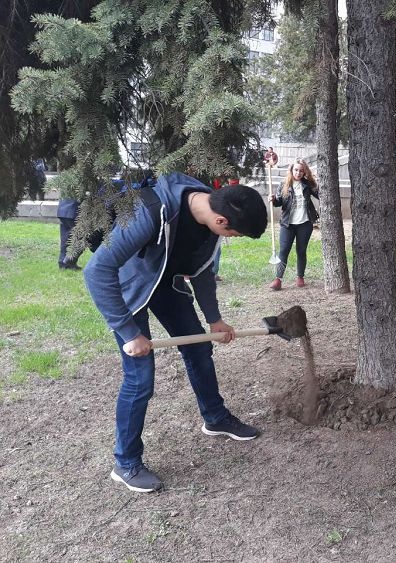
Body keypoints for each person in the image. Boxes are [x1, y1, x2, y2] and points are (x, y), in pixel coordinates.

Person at [83, 172, 267, 493]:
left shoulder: (210, 211)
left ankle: (215, 417)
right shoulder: (151, 211)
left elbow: (202, 268)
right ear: (222, 221)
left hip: (165, 282)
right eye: (235, 234)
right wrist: (129, 332)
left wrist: (215, 320)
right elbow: (97, 270)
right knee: (140, 378)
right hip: (130, 287)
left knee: (199, 348)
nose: (232, 238)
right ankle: (126, 462)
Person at [268, 158, 319, 290]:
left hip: (305, 223)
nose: (298, 173)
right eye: (296, 170)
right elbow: (279, 202)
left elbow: (320, 195)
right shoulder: (284, 184)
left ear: (304, 172)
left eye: (301, 171)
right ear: (291, 170)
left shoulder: (307, 184)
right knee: (284, 250)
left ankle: (300, 276)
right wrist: (273, 199)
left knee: (301, 250)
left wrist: (314, 181)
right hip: (288, 224)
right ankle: (278, 279)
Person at [57, 196, 83, 270]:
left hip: (63, 210)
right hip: (75, 210)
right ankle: (69, 262)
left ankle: (62, 262)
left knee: (65, 237)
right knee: (82, 237)